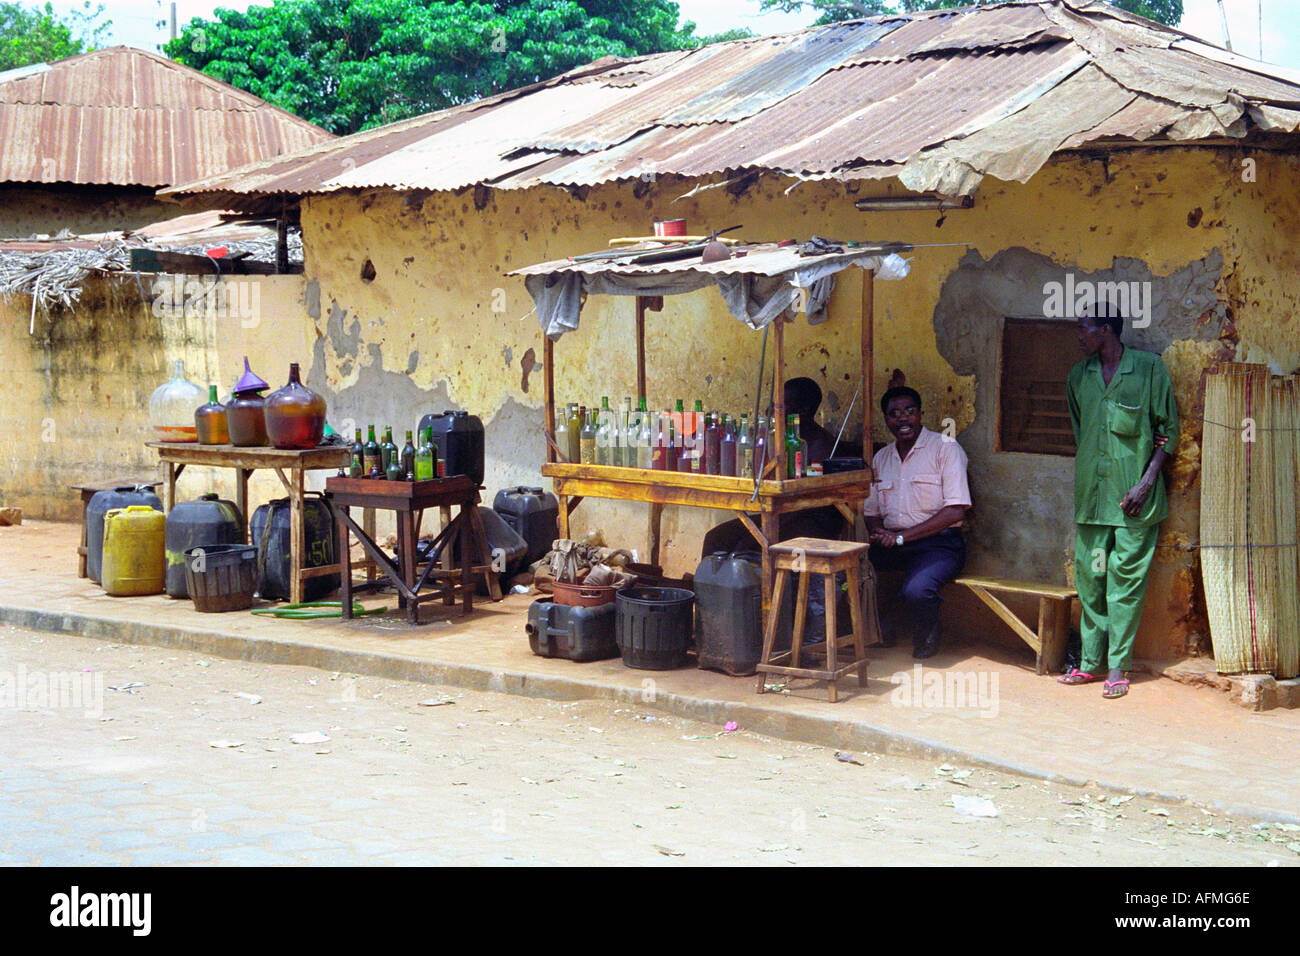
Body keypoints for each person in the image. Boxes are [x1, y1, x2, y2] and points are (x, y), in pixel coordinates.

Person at [1058, 309, 1178, 699]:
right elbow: (1083, 432)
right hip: (1093, 503)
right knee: (1092, 581)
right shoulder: (1079, 375)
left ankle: (1117, 666)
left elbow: (1168, 432)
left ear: (1106, 330)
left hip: (1134, 505)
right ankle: (1091, 664)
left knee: (1124, 585)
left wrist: (1145, 483)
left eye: (1084, 328)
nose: (1078, 336)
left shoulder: (1148, 369)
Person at [865, 386, 971, 659]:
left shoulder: (945, 448)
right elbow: (871, 510)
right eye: (894, 414)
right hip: (893, 545)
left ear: (920, 414)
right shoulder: (881, 458)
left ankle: (927, 631)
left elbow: (956, 510)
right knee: (850, 575)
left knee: (918, 590)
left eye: (909, 411)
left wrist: (902, 537)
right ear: (886, 419)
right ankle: (878, 626)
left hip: (939, 544)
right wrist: (878, 532)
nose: (902, 419)